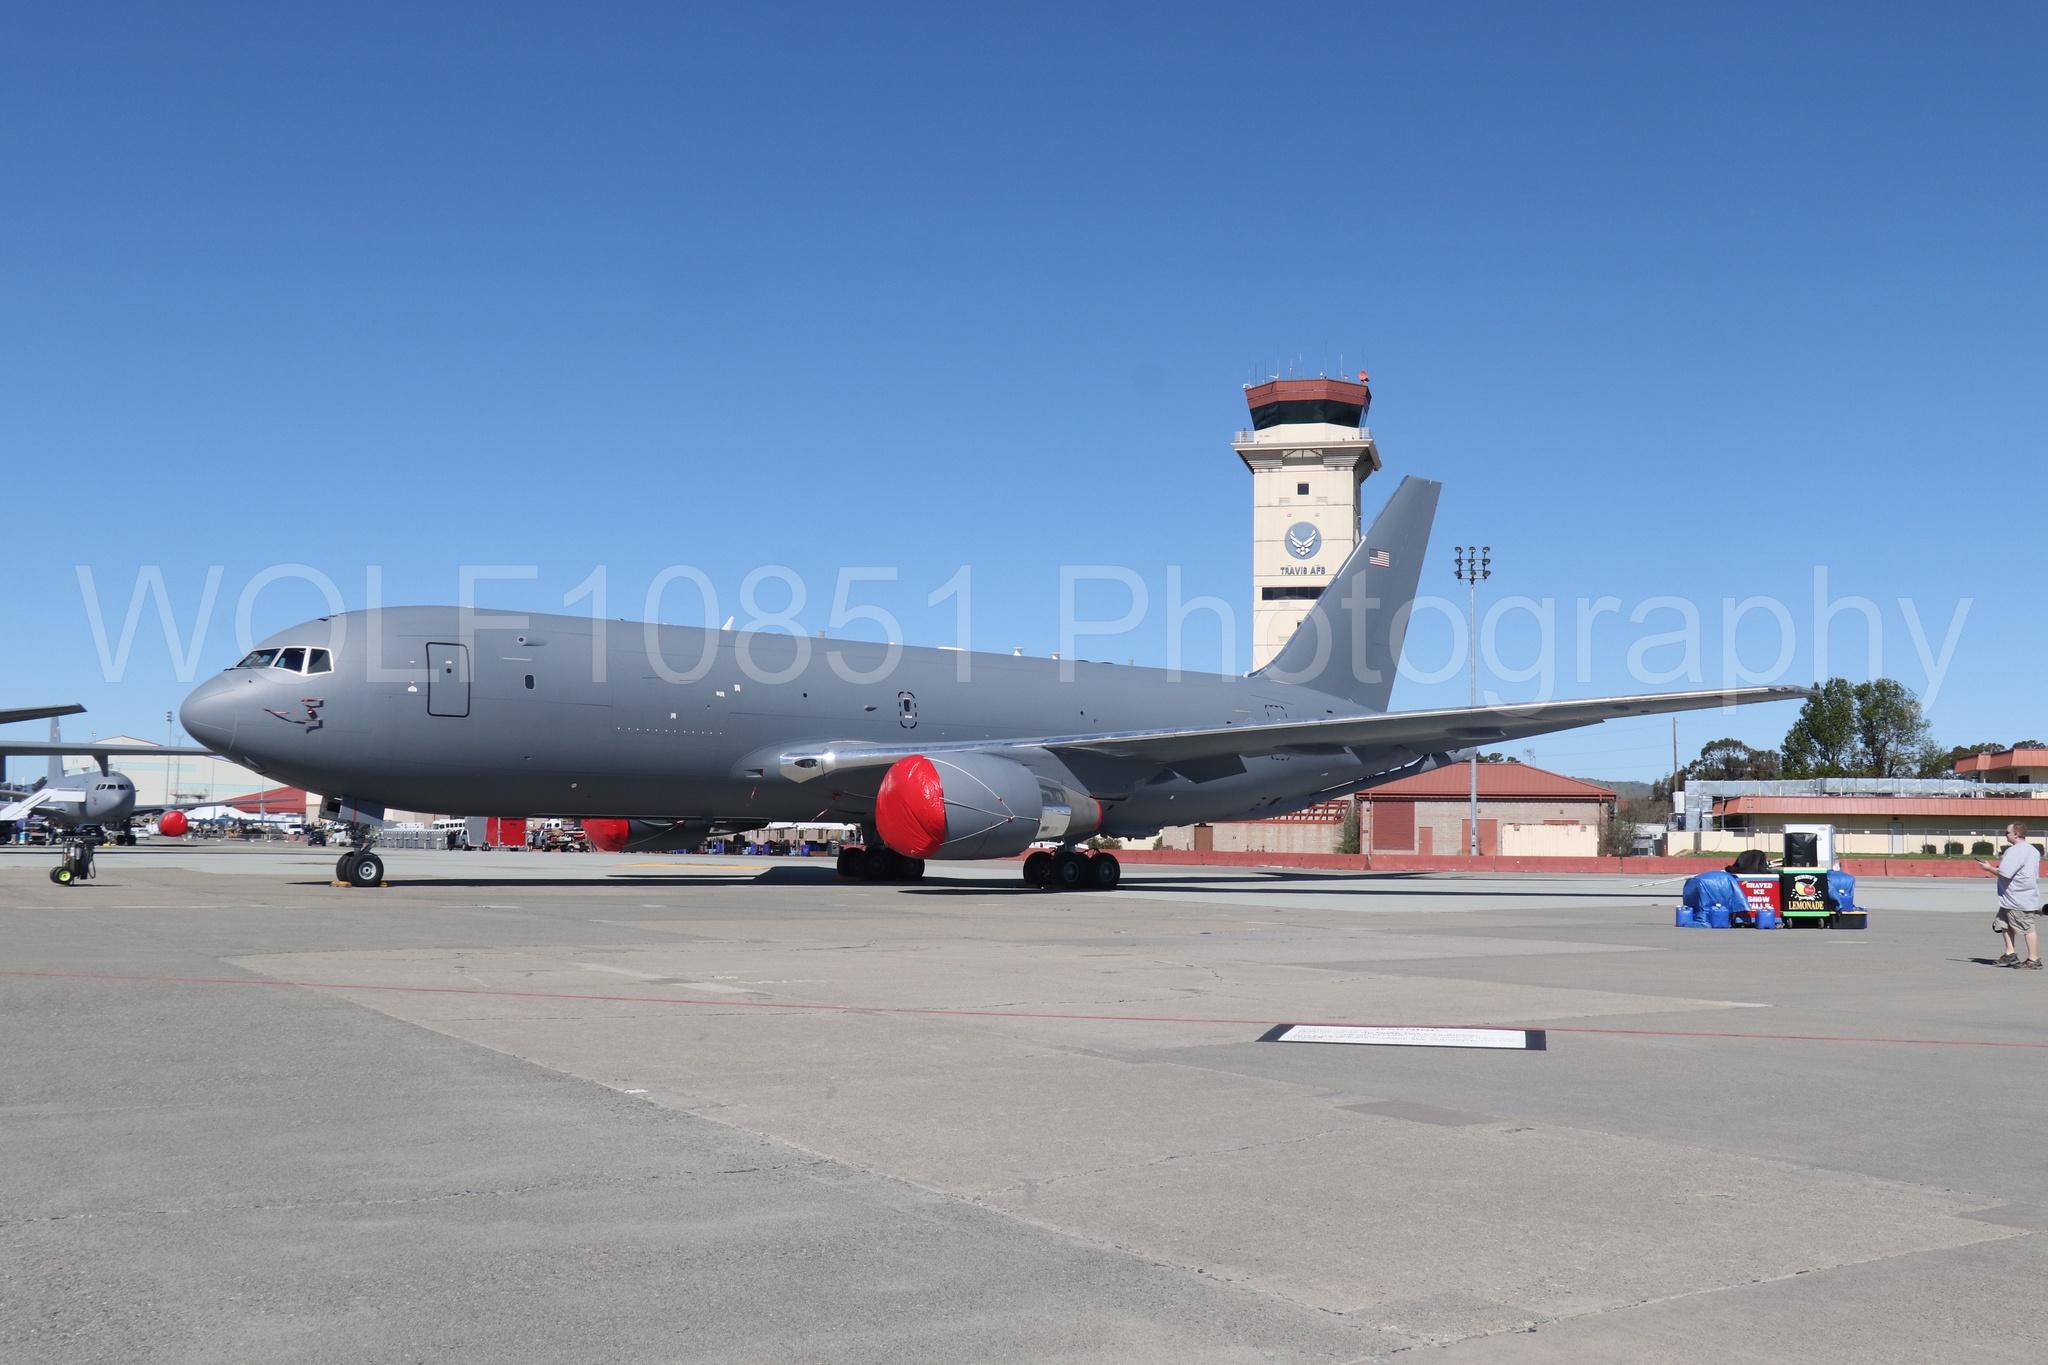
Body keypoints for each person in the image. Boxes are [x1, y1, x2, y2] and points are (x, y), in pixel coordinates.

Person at [1977, 822, 2041, 969]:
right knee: (2003, 924)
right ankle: (2010, 953)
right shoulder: (2033, 850)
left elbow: (2005, 873)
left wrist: (1988, 868)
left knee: (2027, 927)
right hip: (2011, 898)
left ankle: (2033, 959)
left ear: (2016, 834)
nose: (2005, 835)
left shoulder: (2014, 851)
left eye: (2007, 832)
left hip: (2019, 897)